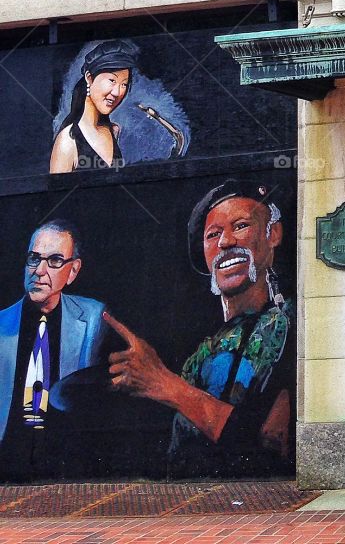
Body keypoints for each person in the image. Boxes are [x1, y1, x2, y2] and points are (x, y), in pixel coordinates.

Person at [106, 180, 293, 476]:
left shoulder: (287, 326)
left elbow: (265, 444)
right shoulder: (202, 346)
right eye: (213, 234)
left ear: (274, 233)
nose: (225, 242)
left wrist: (163, 384)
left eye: (241, 226)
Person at [0, 221, 107, 474]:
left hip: (65, 456)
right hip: (7, 453)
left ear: (73, 271)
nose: (39, 270)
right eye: (34, 259)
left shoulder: (93, 317)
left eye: (55, 260)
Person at [50, 40, 138, 172]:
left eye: (124, 84)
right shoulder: (67, 141)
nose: (117, 92)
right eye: (112, 81)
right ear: (89, 78)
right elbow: (56, 191)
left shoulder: (114, 131)